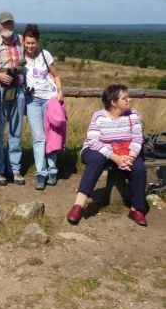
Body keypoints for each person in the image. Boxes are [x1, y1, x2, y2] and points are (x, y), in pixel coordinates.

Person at [67, 85, 148, 226]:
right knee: (96, 161)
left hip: (126, 151)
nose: (130, 99)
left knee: (139, 169)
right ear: (113, 102)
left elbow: (137, 138)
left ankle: (136, 209)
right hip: (98, 149)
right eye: (125, 98)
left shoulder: (133, 115)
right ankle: (78, 205)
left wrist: (131, 157)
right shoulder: (99, 116)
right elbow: (93, 141)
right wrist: (115, 157)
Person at [0, 11, 26, 185]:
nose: (7, 27)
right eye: (4, 24)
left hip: (19, 91)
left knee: (16, 131)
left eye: (10, 23)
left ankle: (15, 169)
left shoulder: (22, 41)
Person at [22, 24, 64, 190]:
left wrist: (60, 91)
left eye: (33, 43)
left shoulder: (45, 55)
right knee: (38, 138)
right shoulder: (20, 56)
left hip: (49, 99)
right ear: (23, 42)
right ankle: (41, 173)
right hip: (32, 100)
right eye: (27, 43)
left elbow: (56, 75)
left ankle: (53, 170)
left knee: (51, 136)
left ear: (38, 42)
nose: (30, 46)